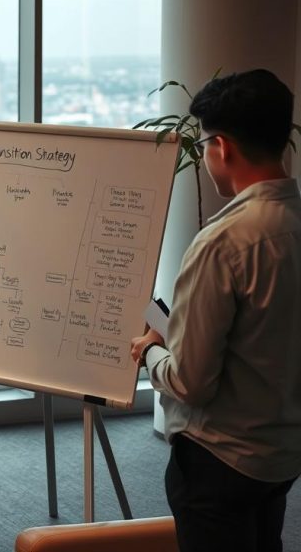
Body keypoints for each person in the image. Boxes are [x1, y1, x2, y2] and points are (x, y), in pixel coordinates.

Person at [130, 69, 301, 552]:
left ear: (221, 147)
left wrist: (149, 352)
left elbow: (191, 381)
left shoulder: (224, 243)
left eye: (203, 144)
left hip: (220, 459)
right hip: (281, 454)